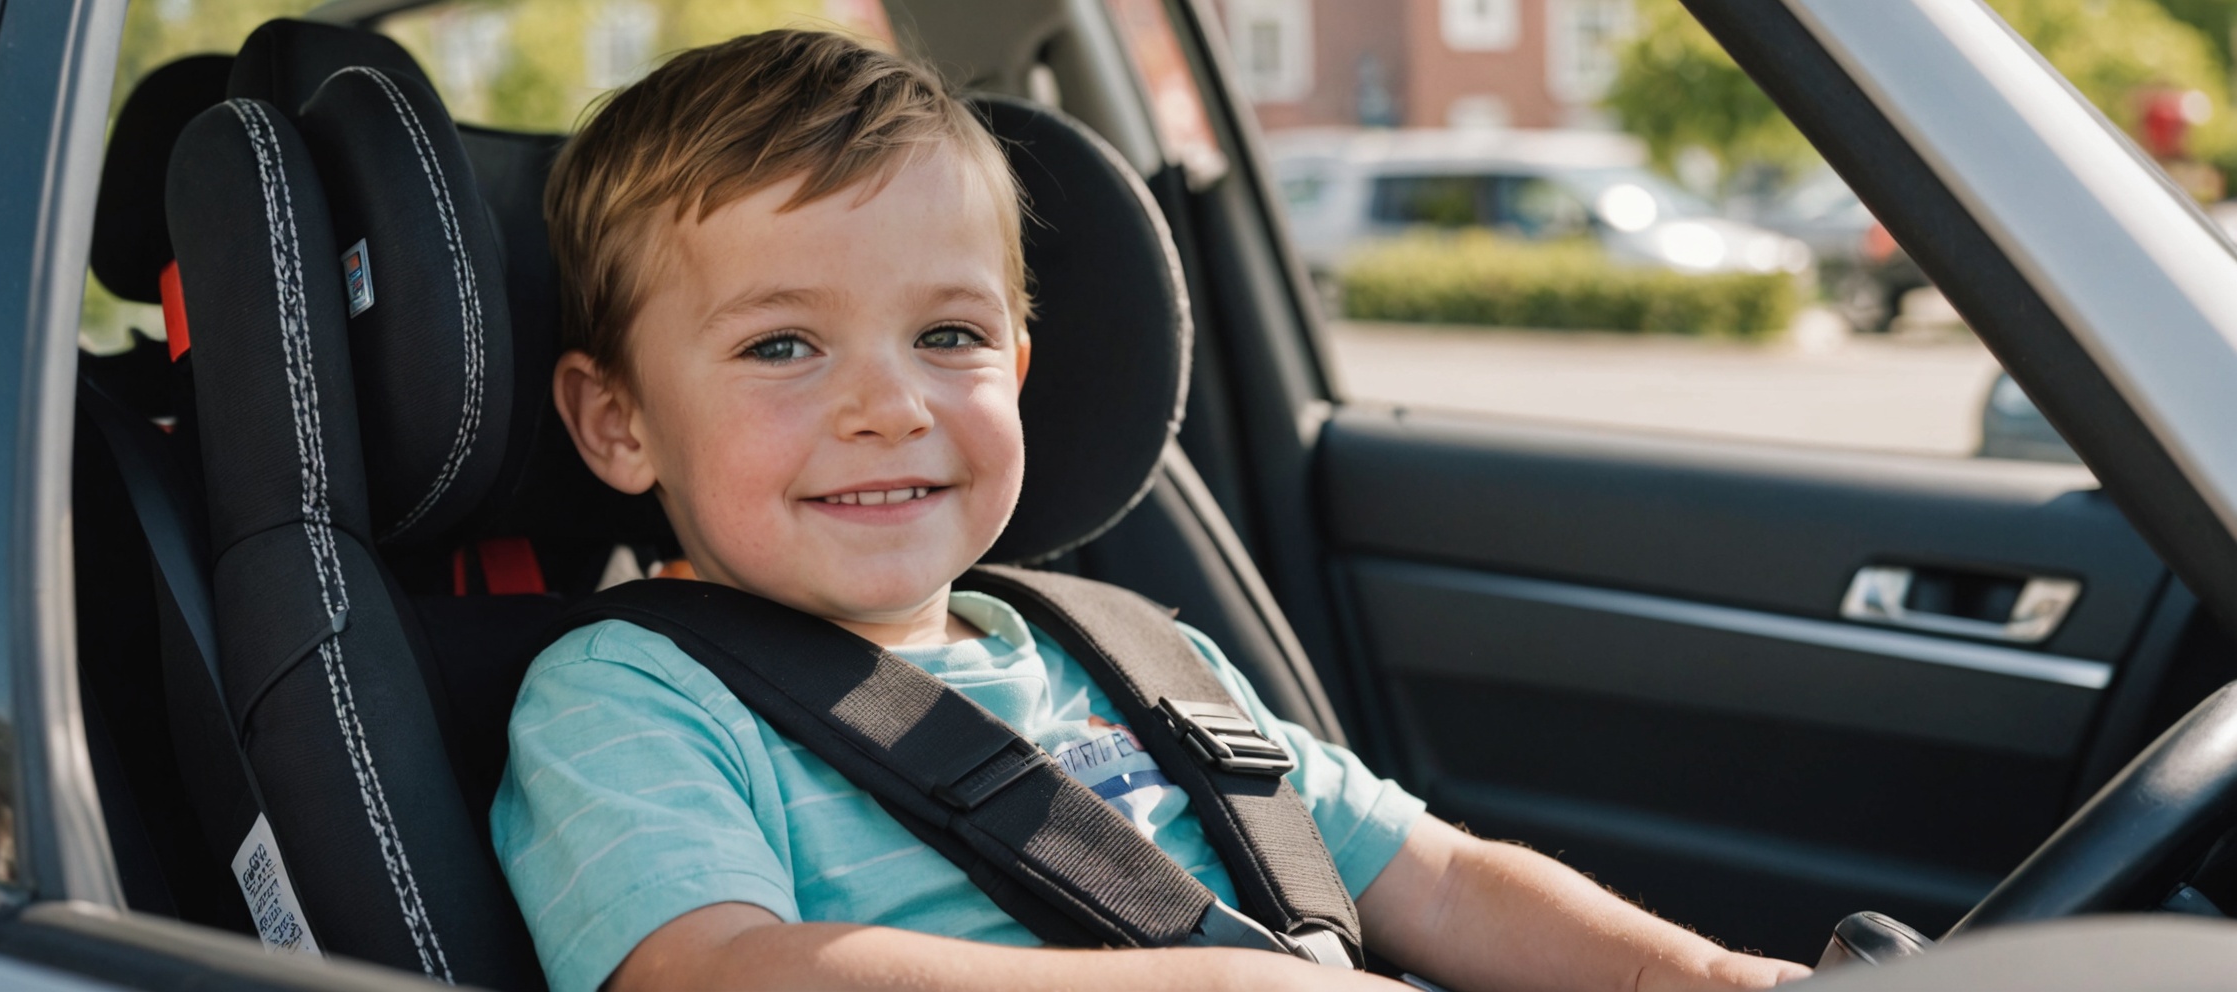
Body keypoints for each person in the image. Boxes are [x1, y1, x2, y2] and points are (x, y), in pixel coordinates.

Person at [494, 28, 1812, 992]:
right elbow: (710, 972)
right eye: (783, 347)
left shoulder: (1128, 652)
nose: (889, 407)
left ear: (1015, 368)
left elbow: (1440, 878)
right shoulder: (628, 692)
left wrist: (1690, 977)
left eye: (947, 335)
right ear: (618, 422)